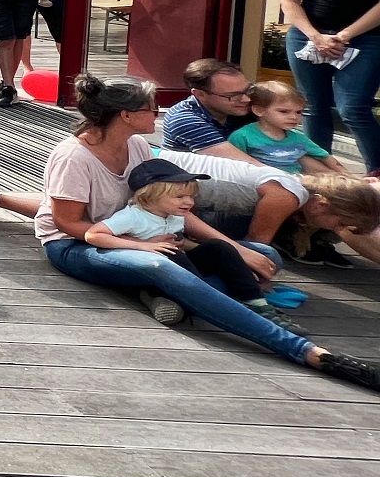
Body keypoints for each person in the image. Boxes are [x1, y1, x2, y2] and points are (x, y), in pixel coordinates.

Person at [34, 73, 378, 391]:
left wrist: (236, 247)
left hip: (142, 235)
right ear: (126, 115)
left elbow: (169, 205)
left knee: (265, 255)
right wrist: (139, 246)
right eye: (152, 108)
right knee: (159, 267)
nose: (158, 113)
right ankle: (301, 349)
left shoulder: (137, 146)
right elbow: (68, 224)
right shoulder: (74, 157)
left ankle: (166, 294)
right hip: (79, 244)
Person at [82, 157, 293, 327]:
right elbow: (94, 234)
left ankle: (255, 301)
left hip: (178, 265)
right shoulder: (133, 216)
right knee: (171, 254)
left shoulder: (174, 215)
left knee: (218, 247)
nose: (189, 202)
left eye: (191, 196)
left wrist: (230, 261)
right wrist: (144, 246)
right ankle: (210, 301)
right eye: (180, 197)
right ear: (150, 197)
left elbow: (182, 244)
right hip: (148, 268)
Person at [278, 0, 380, 165]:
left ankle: (376, 173)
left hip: (365, 38)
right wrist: (315, 36)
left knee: (354, 109)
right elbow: (289, 1)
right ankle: (322, 173)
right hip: (308, 36)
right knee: (313, 108)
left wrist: (345, 35)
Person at [232, 80, 345, 176]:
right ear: (259, 110)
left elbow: (325, 157)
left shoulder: (298, 138)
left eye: (298, 112)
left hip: (297, 181)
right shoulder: (242, 136)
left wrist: (347, 176)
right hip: (261, 183)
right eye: (284, 111)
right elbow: (232, 165)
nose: (294, 117)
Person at [160, 58, 254, 160]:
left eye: (248, 90)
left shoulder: (246, 107)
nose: (246, 99)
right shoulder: (183, 119)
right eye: (232, 95)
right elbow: (244, 163)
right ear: (200, 94)